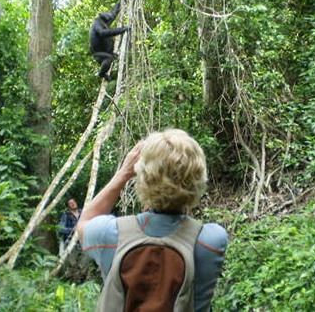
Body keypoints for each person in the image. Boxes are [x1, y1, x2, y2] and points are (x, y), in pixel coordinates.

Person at [76, 129, 228, 311]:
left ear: (142, 176)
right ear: (198, 178)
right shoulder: (211, 241)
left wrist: (123, 174)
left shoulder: (109, 234)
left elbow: (84, 223)